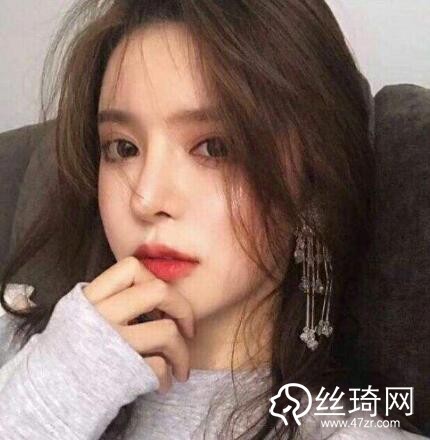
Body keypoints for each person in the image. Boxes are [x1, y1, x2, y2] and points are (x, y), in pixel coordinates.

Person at [0, 0, 427, 439]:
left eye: (214, 148)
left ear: (311, 183)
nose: (146, 198)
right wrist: (58, 389)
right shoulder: (18, 335)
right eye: (123, 148)